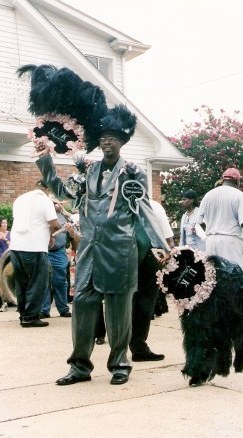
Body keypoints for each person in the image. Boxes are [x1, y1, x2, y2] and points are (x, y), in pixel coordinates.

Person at [35, 105, 170, 386]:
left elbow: (144, 210)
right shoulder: (88, 171)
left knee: (119, 309)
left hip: (120, 250)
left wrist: (160, 245)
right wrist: (45, 160)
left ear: (122, 143)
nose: (108, 142)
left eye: (114, 138)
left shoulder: (132, 173)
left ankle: (119, 364)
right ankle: (79, 366)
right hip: (89, 251)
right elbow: (63, 193)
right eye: (104, 138)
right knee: (83, 304)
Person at [9, 180, 60, 327]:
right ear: (47, 189)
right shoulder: (45, 200)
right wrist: (54, 235)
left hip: (16, 246)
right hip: (34, 247)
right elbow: (55, 225)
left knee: (22, 282)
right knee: (37, 282)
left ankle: (23, 315)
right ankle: (31, 317)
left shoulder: (20, 199)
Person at [130, 199, 175, 361]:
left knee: (122, 303)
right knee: (145, 301)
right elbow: (168, 238)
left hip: (121, 256)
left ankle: (118, 350)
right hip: (150, 255)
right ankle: (138, 346)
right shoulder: (153, 206)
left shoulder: (113, 205)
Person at [197, 168, 243, 273]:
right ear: (237, 181)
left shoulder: (208, 195)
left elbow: (200, 222)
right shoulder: (239, 195)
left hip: (211, 241)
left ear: (223, 180)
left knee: (213, 277)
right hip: (230, 241)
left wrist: (212, 231)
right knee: (234, 277)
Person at [40, 198, 79, 319]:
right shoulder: (42, 215)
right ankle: (44, 310)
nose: (58, 205)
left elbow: (74, 237)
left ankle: (63, 309)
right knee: (44, 281)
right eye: (55, 203)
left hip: (59, 252)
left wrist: (72, 234)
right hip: (44, 252)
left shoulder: (65, 217)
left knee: (61, 281)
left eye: (58, 203)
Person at [0, 217, 11, 311]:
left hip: (8, 259)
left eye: (6, 223)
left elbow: (12, 245)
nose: (5, 225)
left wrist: (5, 239)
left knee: (10, 280)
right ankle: (3, 303)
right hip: (0, 259)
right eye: (3, 223)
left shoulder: (10, 234)